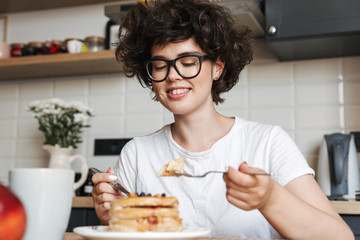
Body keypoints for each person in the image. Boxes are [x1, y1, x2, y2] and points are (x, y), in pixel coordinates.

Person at [92, 0, 354, 239]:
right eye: (160, 65)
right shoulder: (138, 154)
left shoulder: (267, 142)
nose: (172, 75)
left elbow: (339, 237)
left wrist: (270, 198)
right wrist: (113, 220)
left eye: (188, 61)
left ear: (218, 66)